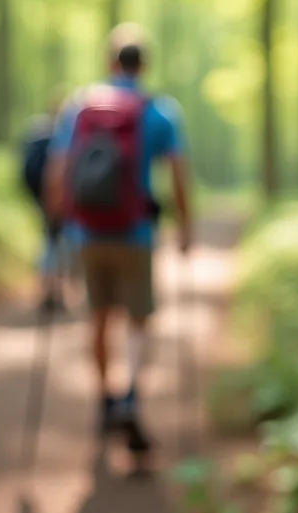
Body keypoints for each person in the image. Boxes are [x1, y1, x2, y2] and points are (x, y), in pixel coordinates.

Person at [44, 23, 192, 458]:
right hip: (136, 233)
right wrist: (186, 228)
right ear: (144, 64)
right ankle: (130, 396)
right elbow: (178, 174)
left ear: (110, 62)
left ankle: (105, 401)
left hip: (86, 232)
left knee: (98, 318)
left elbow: (56, 169)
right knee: (139, 319)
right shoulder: (160, 111)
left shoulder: (79, 107)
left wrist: (56, 221)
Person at [19, 94, 70, 312]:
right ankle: (54, 291)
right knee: (58, 243)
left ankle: (47, 290)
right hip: (59, 199)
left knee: (49, 242)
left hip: (39, 197)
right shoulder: (64, 136)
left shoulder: (36, 131)